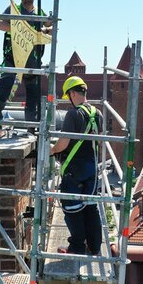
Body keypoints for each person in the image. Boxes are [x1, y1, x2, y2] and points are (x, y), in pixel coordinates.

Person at [50, 76, 104, 255]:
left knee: (72, 208)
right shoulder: (98, 114)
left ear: (72, 93)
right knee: (90, 207)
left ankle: (77, 247)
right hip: (92, 169)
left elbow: (63, 143)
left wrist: (51, 150)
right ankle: (94, 247)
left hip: (75, 169)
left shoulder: (73, 114)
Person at [0, 0, 48, 123]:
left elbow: (53, 28)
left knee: (33, 95)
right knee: (5, 86)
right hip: (12, 56)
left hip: (32, 59)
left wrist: (45, 29)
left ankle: (31, 127)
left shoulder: (40, 12)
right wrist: (18, 29)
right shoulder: (13, 10)